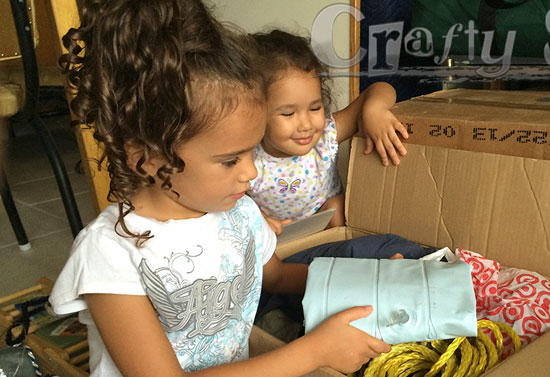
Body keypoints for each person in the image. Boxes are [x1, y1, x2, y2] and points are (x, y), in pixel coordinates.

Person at [47, 1, 390, 376]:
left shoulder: (239, 211)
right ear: (147, 159)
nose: (252, 173)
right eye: (231, 160)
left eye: (251, 152)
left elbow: (275, 276)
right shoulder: (111, 252)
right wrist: (314, 352)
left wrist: (364, 282)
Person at [248, 30, 409, 234]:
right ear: (252, 113)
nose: (306, 124)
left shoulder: (325, 136)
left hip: (328, 234)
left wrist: (374, 110)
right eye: (288, 113)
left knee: (338, 207)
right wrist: (259, 220)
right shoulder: (248, 157)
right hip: (276, 242)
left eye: (315, 108)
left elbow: (381, 88)